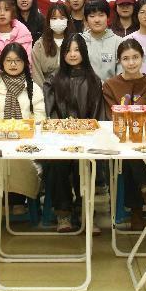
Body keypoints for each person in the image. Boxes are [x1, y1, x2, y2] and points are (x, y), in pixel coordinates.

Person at [44, 34, 105, 232]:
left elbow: (97, 114)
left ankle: (85, 211)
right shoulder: (53, 79)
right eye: (68, 50)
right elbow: (51, 112)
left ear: (84, 52)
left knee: (84, 162)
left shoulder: (93, 80)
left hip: (86, 139)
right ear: (62, 53)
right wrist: (63, 132)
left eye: (77, 50)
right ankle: (63, 213)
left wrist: (86, 133)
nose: (72, 54)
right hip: (60, 139)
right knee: (57, 163)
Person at [0, 43, 45, 215]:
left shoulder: (33, 89)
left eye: (18, 60)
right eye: (8, 60)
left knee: (19, 162)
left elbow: (40, 118)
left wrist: (22, 130)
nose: (13, 64)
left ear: (25, 63)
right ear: (2, 63)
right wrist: (3, 128)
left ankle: (18, 200)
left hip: (26, 143)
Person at [102, 39, 146, 230]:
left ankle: (136, 210)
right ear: (119, 61)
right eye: (126, 58)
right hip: (119, 136)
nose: (131, 62)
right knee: (127, 150)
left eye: (135, 57)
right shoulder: (110, 85)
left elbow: (139, 111)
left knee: (132, 152)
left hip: (145, 136)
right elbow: (112, 115)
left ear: (142, 58)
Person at [31, 2, 74, 87]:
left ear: (68, 20)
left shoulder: (75, 42)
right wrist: (45, 92)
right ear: (48, 21)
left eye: (62, 18)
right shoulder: (39, 45)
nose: (58, 21)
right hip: (46, 91)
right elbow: (36, 75)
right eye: (54, 18)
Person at [81, 0, 122, 82]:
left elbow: (121, 74)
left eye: (101, 15)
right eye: (92, 16)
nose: (97, 20)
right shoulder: (79, 41)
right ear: (86, 19)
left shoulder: (118, 42)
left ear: (108, 18)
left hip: (110, 89)